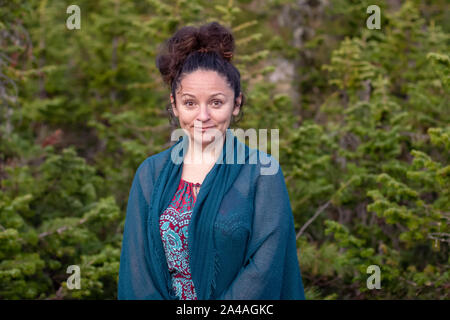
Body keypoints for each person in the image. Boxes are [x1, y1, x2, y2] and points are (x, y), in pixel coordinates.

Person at [117, 21, 305, 300]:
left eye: (216, 103)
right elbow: (137, 271)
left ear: (236, 103)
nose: (202, 116)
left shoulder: (261, 173)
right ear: (174, 104)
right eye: (190, 103)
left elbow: (264, 270)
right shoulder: (151, 174)